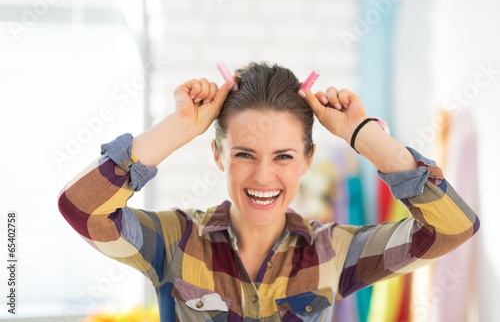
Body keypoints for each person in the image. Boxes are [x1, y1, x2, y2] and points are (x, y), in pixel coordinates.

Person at [58, 62, 479, 321]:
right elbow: (83, 209)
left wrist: (361, 134)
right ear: (218, 156)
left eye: (283, 156)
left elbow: (452, 229)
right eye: (244, 154)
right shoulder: (174, 241)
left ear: (308, 160)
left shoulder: (336, 251)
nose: (263, 177)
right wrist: (179, 127)